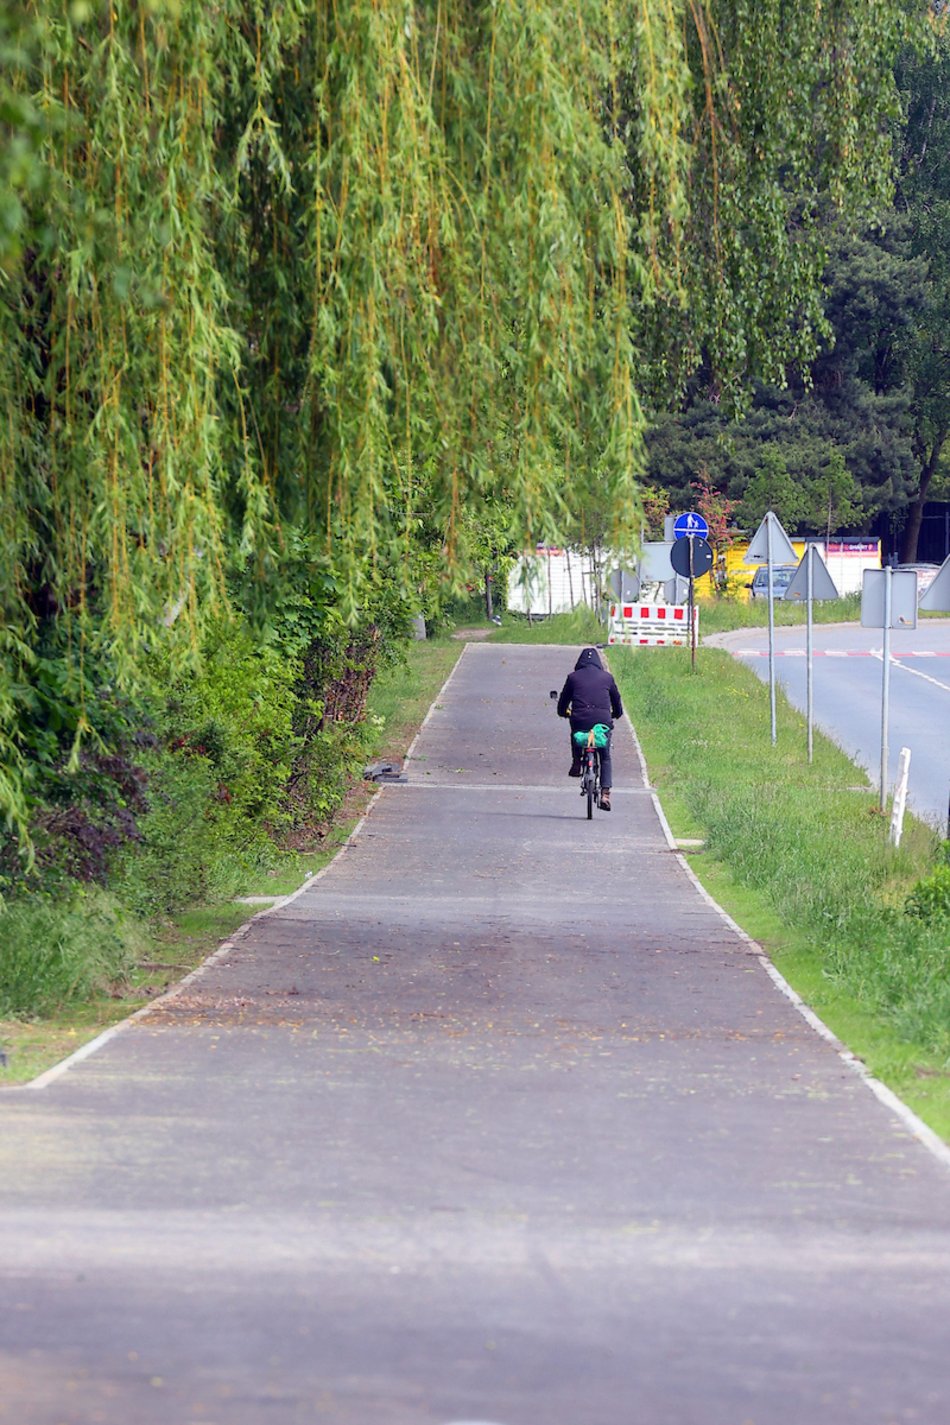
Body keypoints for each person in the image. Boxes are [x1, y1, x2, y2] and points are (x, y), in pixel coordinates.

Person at [556, 647, 623, 810]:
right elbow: (616, 701)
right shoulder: (607, 678)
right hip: (602, 721)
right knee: (605, 756)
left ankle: (577, 763)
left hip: (580, 719)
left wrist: (563, 712)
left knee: (576, 733)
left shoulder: (573, 678)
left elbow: (563, 701)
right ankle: (606, 794)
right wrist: (616, 713)